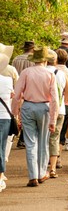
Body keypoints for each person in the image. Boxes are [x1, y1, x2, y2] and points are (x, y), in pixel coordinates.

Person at [11, 46, 59, 187]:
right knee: (43, 140)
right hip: (44, 107)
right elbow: (55, 99)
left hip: (28, 106)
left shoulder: (26, 72)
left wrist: (15, 113)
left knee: (30, 142)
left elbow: (17, 94)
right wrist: (53, 119)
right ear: (45, 60)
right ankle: (41, 173)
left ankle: (32, 176)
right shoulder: (50, 74)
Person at [46, 49, 68, 178]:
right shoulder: (61, 74)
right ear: (55, 60)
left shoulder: (42, 72)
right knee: (55, 138)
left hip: (44, 109)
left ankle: (42, 166)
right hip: (60, 110)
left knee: (43, 138)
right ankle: (53, 168)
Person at [12, 41, 35, 149]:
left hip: (16, 88)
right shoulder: (33, 60)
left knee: (16, 113)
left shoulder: (16, 59)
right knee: (27, 115)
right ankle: (22, 139)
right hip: (28, 90)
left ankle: (13, 135)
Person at [55, 48, 68, 168]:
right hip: (65, 104)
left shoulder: (50, 70)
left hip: (51, 104)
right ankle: (58, 157)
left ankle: (50, 156)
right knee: (61, 132)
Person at [0, 54, 13, 192]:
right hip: (4, 116)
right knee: (1, 147)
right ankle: (1, 175)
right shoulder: (8, 80)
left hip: (3, 116)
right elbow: (12, 95)